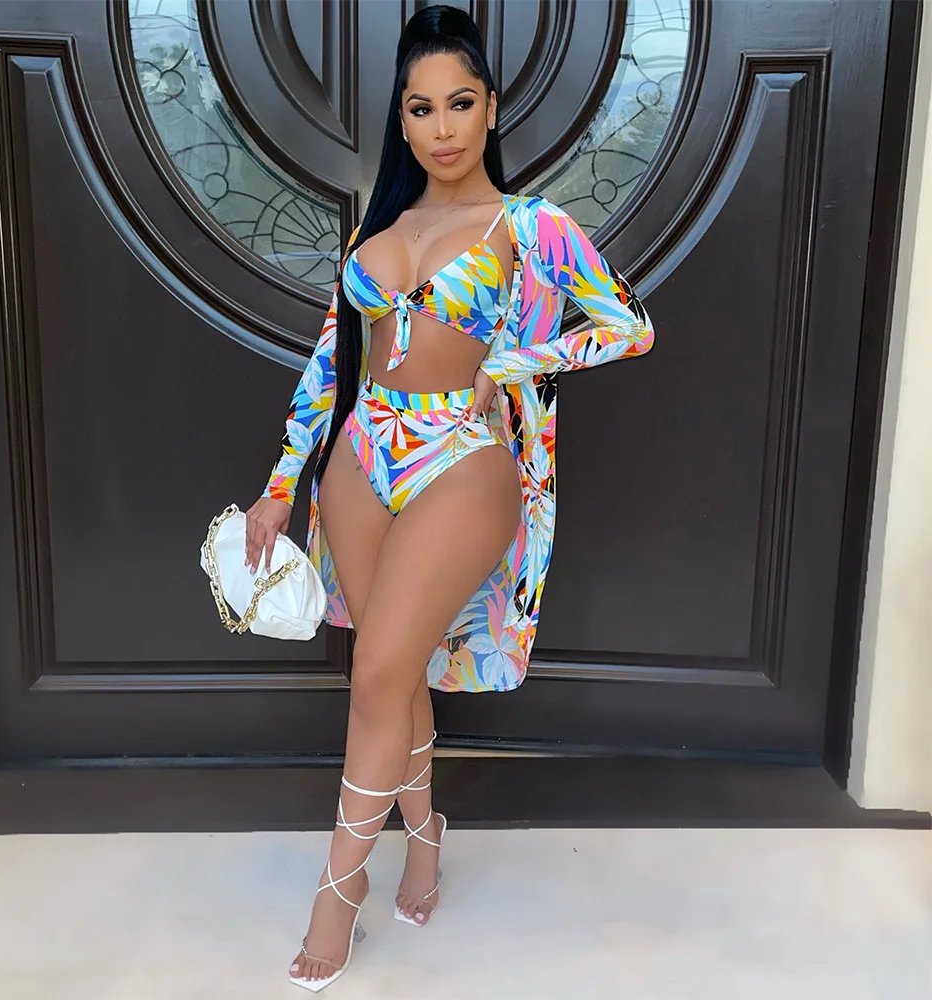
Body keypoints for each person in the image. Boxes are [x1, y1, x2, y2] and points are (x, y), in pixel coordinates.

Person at [243, 5, 655, 991]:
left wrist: (516, 359)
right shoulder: (379, 229)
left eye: (460, 103)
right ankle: (424, 837)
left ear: (490, 107)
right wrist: (278, 488)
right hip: (362, 453)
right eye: (421, 107)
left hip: (461, 456)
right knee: (395, 669)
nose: (441, 127)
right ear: (402, 116)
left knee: (378, 670)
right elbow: (328, 363)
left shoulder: (529, 225)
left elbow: (629, 325)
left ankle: (336, 892)